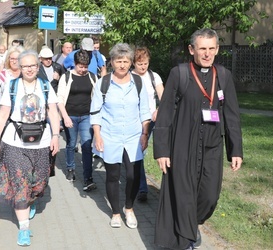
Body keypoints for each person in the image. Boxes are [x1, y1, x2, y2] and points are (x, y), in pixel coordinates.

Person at [153, 28, 243, 250]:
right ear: (191, 49)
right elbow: (165, 114)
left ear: (217, 49)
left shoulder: (223, 76)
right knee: (183, 196)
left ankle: (192, 225)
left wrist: (236, 150)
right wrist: (162, 150)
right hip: (182, 145)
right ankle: (185, 241)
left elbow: (231, 115)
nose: (207, 54)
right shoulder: (179, 74)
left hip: (212, 145)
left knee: (210, 196)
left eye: (212, 48)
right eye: (202, 48)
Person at [0, 49, 60, 246]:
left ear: (38, 66)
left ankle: (30, 199)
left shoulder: (45, 85)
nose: (29, 69)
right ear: (20, 67)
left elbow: (53, 112)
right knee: (20, 182)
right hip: (14, 141)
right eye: (25, 66)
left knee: (40, 181)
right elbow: (2, 115)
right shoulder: (12, 85)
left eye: (33, 65)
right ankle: (24, 227)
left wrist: (56, 136)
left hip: (42, 142)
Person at [90, 43, 151, 228]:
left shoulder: (138, 82)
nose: (122, 65)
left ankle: (129, 208)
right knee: (112, 176)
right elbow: (95, 112)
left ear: (131, 62)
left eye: (125, 61)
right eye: (118, 61)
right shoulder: (104, 83)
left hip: (133, 137)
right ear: (112, 62)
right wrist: (98, 136)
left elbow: (145, 110)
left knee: (133, 175)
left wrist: (145, 134)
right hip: (110, 135)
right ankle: (116, 212)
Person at [57, 49, 97, 190]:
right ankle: (70, 169)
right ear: (74, 64)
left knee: (87, 145)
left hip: (87, 116)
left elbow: (97, 97)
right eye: (80, 66)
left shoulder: (92, 77)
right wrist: (65, 117)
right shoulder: (66, 77)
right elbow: (60, 99)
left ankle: (88, 177)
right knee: (71, 144)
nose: (83, 70)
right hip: (70, 116)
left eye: (86, 67)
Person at [131, 47, 164, 202]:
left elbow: (163, 96)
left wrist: (158, 109)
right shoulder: (129, 77)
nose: (143, 67)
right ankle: (142, 189)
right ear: (134, 63)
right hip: (136, 121)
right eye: (140, 64)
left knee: (162, 152)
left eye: (145, 64)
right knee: (140, 153)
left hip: (152, 120)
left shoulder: (154, 76)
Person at [37, 46, 65, 177]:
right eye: (45, 59)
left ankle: (51, 163)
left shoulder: (58, 67)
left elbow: (65, 82)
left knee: (54, 130)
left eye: (50, 58)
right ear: (40, 59)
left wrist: (57, 79)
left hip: (55, 103)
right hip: (42, 104)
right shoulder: (37, 69)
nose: (48, 61)